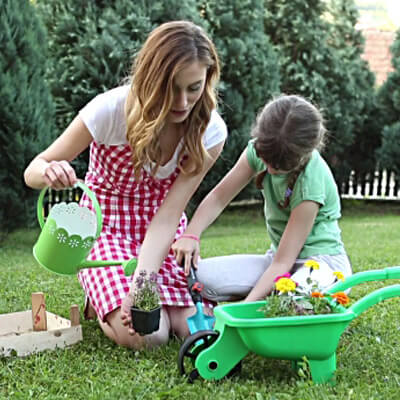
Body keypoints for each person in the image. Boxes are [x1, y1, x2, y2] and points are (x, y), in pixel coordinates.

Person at [24, 20, 227, 349]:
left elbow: (169, 215)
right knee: (149, 337)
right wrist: (50, 172)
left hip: (163, 235)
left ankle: (130, 295)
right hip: (106, 230)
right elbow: (33, 169)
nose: (182, 102)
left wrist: (143, 279)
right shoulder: (110, 110)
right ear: (150, 78)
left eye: (194, 88)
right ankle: (100, 295)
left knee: (193, 326)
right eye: (171, 88)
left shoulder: (210, 132)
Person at [172, 94, 352, 303]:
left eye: (279, 167)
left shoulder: (310, 181)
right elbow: (219, 197)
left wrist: (244, 310)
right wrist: (191, 234)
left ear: (302, 156)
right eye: (266, 161)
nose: (270, 169)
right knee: (200, 278)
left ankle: (277, 301)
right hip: (276, 259)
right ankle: (269, 297)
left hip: (322, 264)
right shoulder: (260, 150)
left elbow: (283, 262)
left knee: (290, 299)